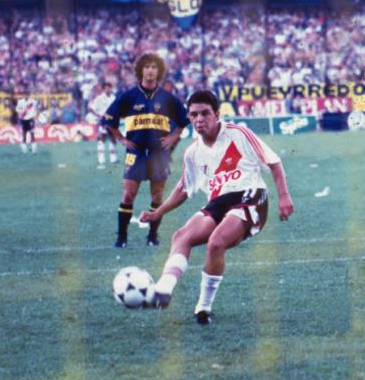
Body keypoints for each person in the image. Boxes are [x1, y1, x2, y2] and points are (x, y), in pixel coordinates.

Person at [140, 89, 293, 324]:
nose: (199, 119)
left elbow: (274, 162)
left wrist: (284, 197)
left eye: (205, 113)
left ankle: (203, 307)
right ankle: (163, 290)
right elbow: (183, 188)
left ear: (217, 114)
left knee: (216, 241)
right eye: (194, 115)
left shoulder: (238, 133)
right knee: (181, 236)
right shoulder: (193, 152)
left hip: (250, 196)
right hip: (219, 202)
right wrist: (158, 212)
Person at [102, 53, 189, 248]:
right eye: (147, 67)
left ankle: (152, 236)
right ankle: (122, 238)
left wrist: (174, 136)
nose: (150, 70)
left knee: (157, 196)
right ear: (141, 70)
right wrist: (121, 139)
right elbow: (109, 119)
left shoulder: (168, 98)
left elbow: (184, 121)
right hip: (136, 151)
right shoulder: (128, 96)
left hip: (160, 153)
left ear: (159, 71)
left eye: (154, 67)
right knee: (128, 195)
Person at [87, 82, 119, 168]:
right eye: (106, 88)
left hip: (112, 121)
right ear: (103, 89)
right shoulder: (99, 98)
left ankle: (113, 159)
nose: (108, 89)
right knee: (102, 139)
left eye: (109, 88)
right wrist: (98, 115)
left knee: (113, 139)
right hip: (103, 121)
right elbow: (90, 108)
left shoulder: (114, 98)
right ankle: (101, 160)